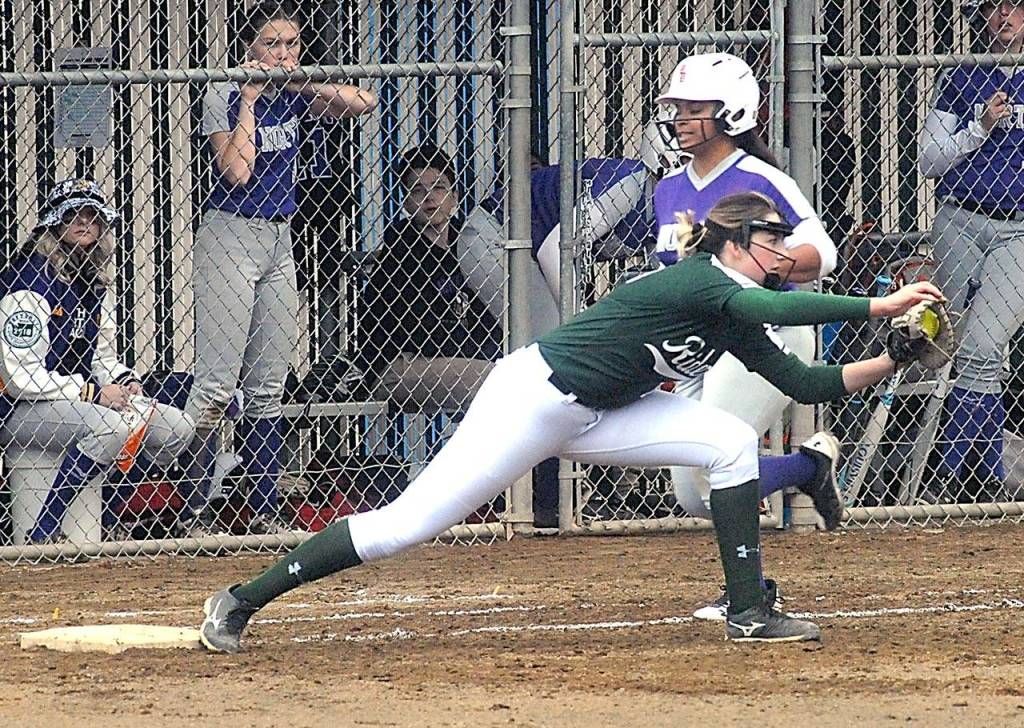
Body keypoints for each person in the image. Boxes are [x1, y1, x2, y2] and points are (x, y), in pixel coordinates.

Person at [198, 192, 944, 652]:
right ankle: (239, 600)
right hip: (533, 398)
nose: (783, 251)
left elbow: (809, 379)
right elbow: (777, 307)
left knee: (728, 442)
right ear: (734, 243)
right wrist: (878, 304)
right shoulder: (704, 281)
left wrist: (892, 357)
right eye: (771, 240)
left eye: (783, 241)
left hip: (603, 410)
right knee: (403, 526)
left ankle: (748, 611)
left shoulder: (734, 311)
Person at [650, 51, 840, 620]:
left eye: (695, 108)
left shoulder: (760, 179)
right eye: (678, 108)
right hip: (700, 343)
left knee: (715, 474)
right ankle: (806, 468)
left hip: (765, 331)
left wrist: (761, 271)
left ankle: (750, 592)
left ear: (731, 112)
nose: (682, 118)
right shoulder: (668, 188)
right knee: (691, 492)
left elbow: (821, 253)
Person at [181, 0, 376, 535]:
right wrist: (250, 98)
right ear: (249, 46)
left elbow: (365, 101)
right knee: (218, 386)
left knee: (268, 383)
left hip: (279, 237)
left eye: (291, 43)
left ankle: (265, 508)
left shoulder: (296, 88)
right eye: (271, 43)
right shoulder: (224, 89)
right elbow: (237, 170)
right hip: (231, 232)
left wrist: (301, 83)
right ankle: (192, 508)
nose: (282, 53)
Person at [0, 179, 195, 544]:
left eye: (92, 216)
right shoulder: (31, 281)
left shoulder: (93, 282)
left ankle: (105, 513)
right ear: (55, 223)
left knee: (176, 428)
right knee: (109, 427)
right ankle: (43, 531)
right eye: (73, 214)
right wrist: (91, 392)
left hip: (73, 400)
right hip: (14, 408)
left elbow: (101, 355)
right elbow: (19, 378)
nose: (84, 222)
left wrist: (124, 381)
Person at [917, 0, 1024, 504]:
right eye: (994, 9)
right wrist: (979, 128)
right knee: (958, 349)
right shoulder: (964, 75)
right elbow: (929, 161)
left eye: (1015, 8)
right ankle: (986, 477)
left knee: (983, 346)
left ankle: (956, 474)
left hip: (1017, 230)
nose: (1004, 18)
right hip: (959, 218)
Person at [456, 123, 688, 335]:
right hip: (497, 234)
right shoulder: (626, 183)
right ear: (665, 161)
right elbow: (554, 250)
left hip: (536, 247)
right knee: (553, 337)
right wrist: (584, 321)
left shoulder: (674, 208)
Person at [359, 145, 502, 414]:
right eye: (417, 190)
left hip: (464, 359)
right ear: (405, 203)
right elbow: (418, 331)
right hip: (401, 365)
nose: (428, 198)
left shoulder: (470, 243)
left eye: (438, 187)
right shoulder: (399, 251)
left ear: (454, 197)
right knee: (497, 382)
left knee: (501, 377)